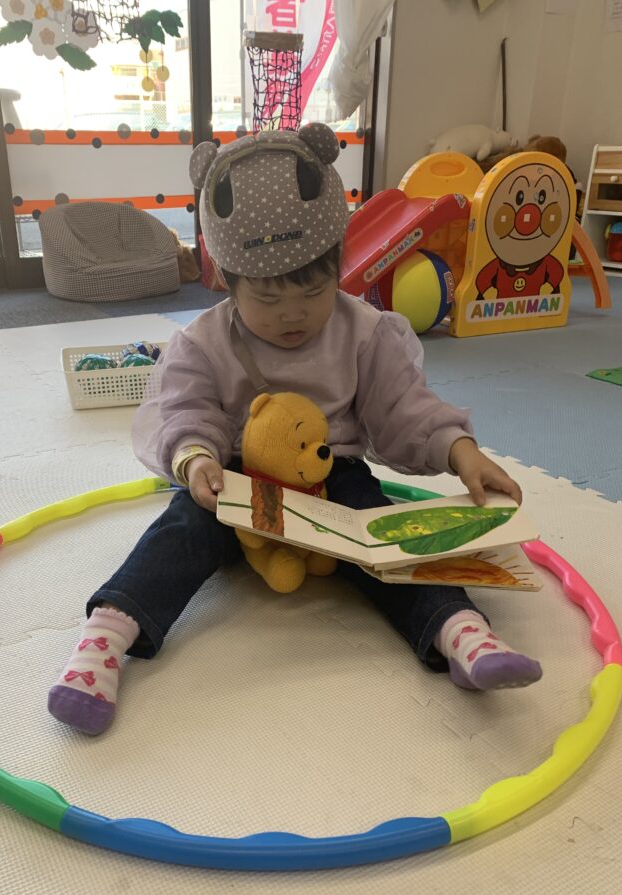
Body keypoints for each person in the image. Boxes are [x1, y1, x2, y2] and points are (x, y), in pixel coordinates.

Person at [48, 123, 542, 736]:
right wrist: (197, 459)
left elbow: (404, 407)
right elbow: (187, 410)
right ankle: (105, 639)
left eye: (313, 291)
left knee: (386, 538)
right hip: (236, 480)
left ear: (339, 266)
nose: (293, 314)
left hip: (333, 476)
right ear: (227, 279)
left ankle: (461, 633)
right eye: (266, 298)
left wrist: (461, 451)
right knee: (182, 527)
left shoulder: (364, 331)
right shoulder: (204, 342)